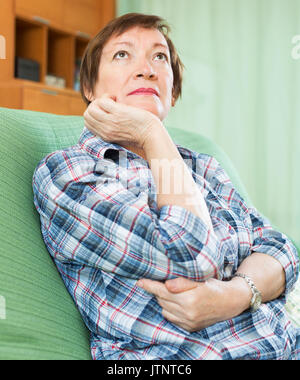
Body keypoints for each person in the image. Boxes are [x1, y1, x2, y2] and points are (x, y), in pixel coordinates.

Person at [32, 13, 300, 360]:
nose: (147, 69)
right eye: (122, 54)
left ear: (172, 91)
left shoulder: (204, 167)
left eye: (159, 56)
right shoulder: (67, 172)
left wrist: (234, 295)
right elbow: (190, 254)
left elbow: (282, 252)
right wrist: (150, 132)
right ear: (89, 88)